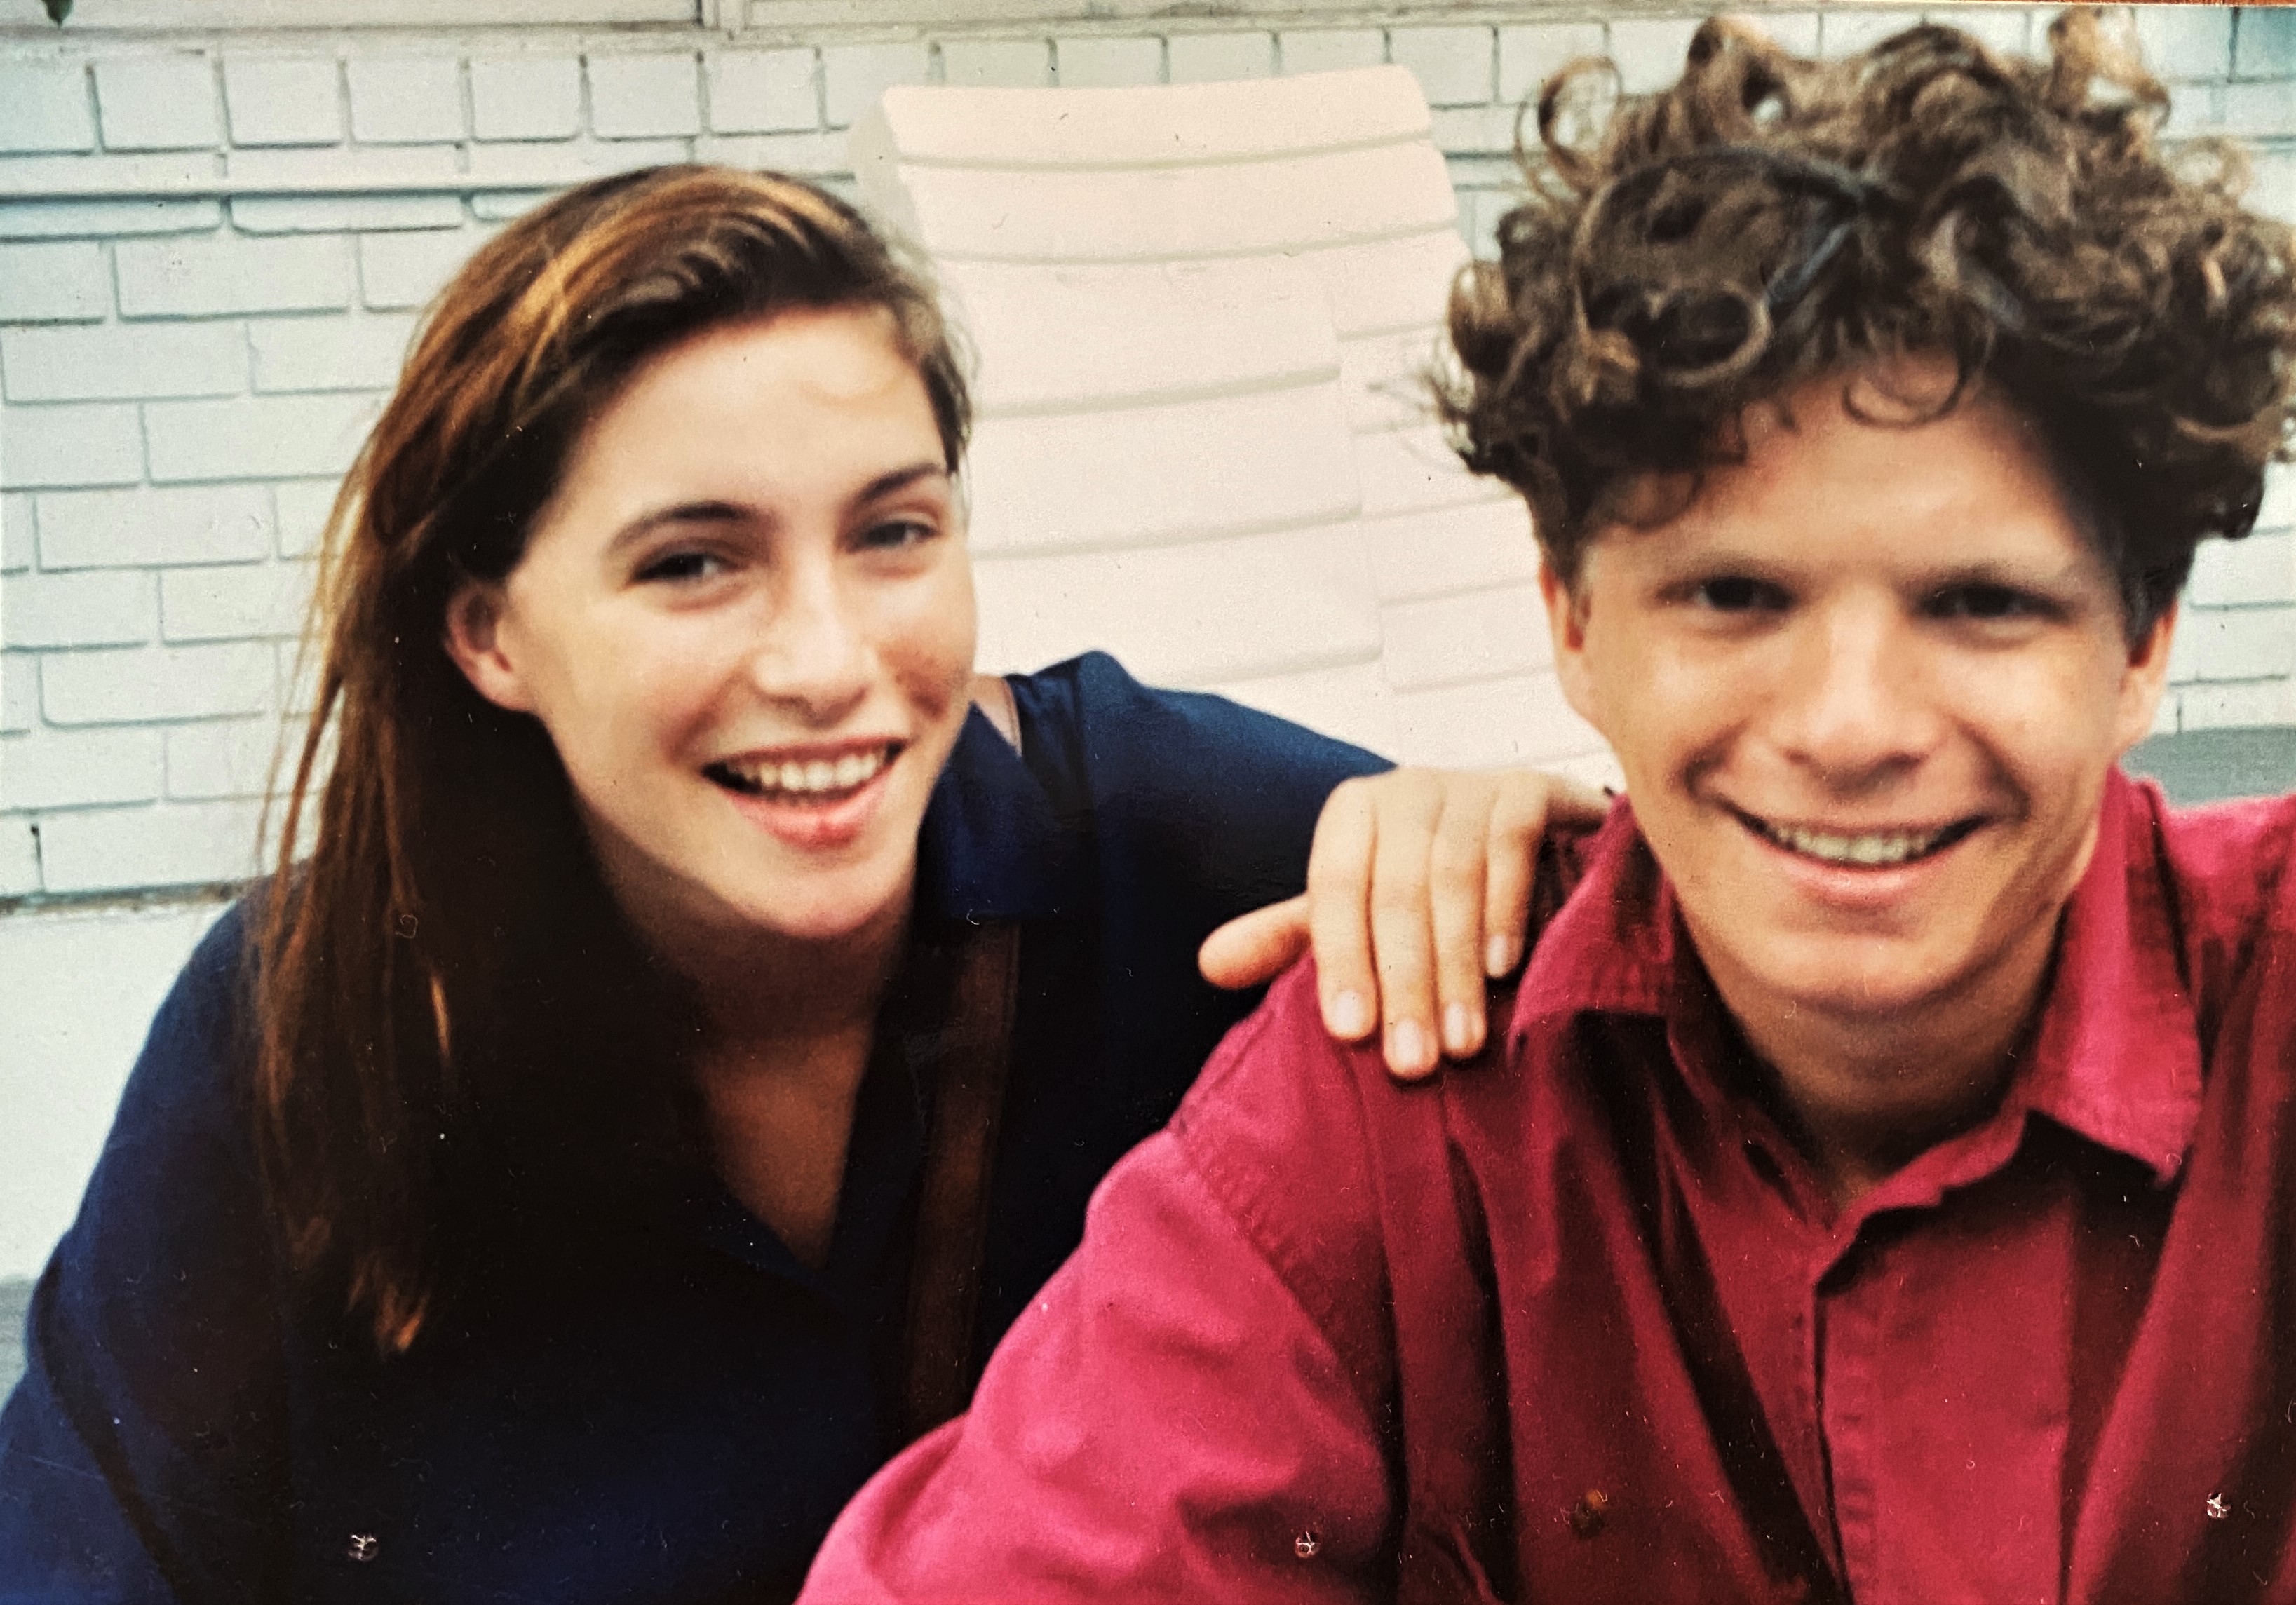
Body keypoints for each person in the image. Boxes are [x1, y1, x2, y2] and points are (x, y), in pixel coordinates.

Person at [798, 13, 2296, 1603]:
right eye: (1731, 595)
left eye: (1979, 605)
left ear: (2139, 645)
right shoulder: (1408, 1077)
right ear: (1570, 621)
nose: (1850, 727)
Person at [0, 167, 1598, 1599]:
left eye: (893, 533)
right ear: (489, 633)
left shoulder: (1180, 851)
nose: (831, 662)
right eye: (692, 561)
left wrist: (1501, 834)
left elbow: (1665, 935)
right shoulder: (312, 1024)